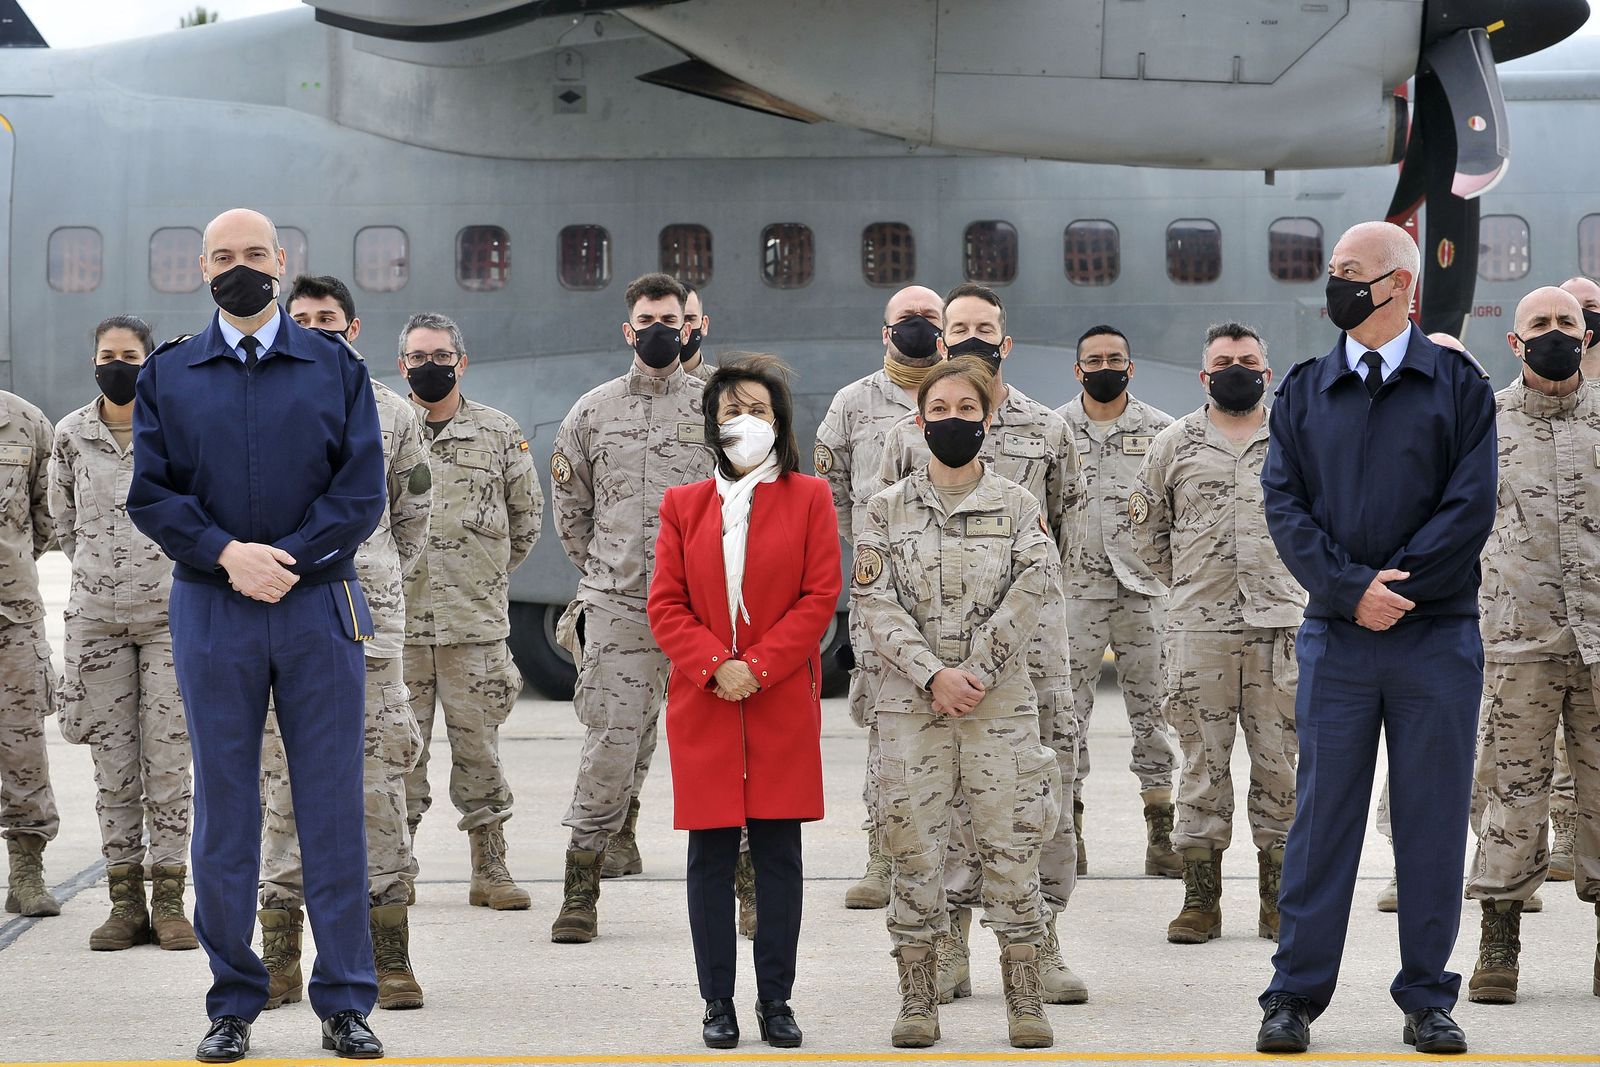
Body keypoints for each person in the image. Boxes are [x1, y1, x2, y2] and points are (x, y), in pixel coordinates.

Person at [128, 207, 387, 1062]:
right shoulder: (171, 374)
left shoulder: (332, 366)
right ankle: (233, 998)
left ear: (283, 261)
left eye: (254, 254)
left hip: (317, 606)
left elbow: (359, 491)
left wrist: (290, 559)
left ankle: (346, 1000)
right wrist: (228, 555)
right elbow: (153, 493)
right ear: (201, 268)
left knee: (331, 806)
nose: (239, 267)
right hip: (214, 608)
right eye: (222, 256)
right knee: (226, 811)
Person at [1255, 221, 1496, 1056]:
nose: (1336, 285)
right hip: (1339, 638)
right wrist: (1351, 589)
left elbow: (1471, 504)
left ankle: (1428, 997)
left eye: (1350, 273)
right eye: (1333, 273)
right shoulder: (1303, 389)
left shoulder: (1457, 383)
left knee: (1431, 822)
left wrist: (1401, 588)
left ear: (1399, 286)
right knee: (1322, 820)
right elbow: (1283, 504)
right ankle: (1293, 995)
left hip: (1436, 639)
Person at [875, 284, 1087, 1005]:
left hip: (1030, 656)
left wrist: (1022, 648)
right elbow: (877, 558)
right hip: (927, 662)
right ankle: (950, 944)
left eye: (983, 328)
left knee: (1038, 795)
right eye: (957, 326)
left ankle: (1041, 935)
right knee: (945, 803)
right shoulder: (905, 437)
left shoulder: (1045, 427)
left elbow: (1064, 540)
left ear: (1006, 338)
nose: (969, 337)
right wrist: (927, 668)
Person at [647, 354, 840, 1050]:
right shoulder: (683, 505)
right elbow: (665, 604)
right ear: (712, 424)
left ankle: (777, 999)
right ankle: (717, 1001)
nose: (743, 421)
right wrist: (713, 666)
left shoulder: (810, 497)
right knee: (711, 856)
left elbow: (819, 597)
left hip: (778, 697)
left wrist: (754, 666)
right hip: (706, 703)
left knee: (780, 854)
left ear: (780, 422)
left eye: (757, 409)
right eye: (731, 410)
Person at [256, 276, 432, 1011]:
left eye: (327, 319)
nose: (315, 327)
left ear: (352, 328)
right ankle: (280, 957)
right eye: (301, 320)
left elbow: (414, 517)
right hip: (280, 616)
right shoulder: (255, 403)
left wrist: (376, 580)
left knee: (376, 787)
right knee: (283, 785)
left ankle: (386, 952)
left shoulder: (391, 412)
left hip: (366, 625)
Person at [550, 272, 715, 943]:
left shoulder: (719, 407)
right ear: (628, 328)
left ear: (689, 327)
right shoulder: (592, 411)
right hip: (621, 606)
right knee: (611, 744)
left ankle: (743, 886)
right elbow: (571, 512)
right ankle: (581, 886)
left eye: (670, 319)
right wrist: (610, 570)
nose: (659, 329)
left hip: (707, 606)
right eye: (647, 318)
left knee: (720, 748)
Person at [1130, 322, 1305, 945]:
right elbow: (1145, 535)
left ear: (1268, 371)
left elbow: (1326, 523)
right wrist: (1191, 591)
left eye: (1248, 360)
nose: (1237, 368)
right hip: (1198, 632)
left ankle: (1278, 900)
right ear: (1204, 375)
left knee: (1280, 762)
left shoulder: (1296, 439)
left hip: (1281, 627)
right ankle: (1200, 899)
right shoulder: (1172, 445)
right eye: (1224, 361)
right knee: (1203, 763)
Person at [1464, 286, 1598, 1005]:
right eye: (1540, 325)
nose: (1556, 334)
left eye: (1567, 324)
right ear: (1514, 344)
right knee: (1511, 792)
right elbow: (1453, 531)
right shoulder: (1483, 427)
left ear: (1587, 334)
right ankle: (1499, 938)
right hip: (1519, 644)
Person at [49, 315, 194, 951]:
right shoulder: (70, 436)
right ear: (94, 362)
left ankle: (168, 902)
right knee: (113, 767)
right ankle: (123, 901)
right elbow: (62, 524)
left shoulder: (176, 431)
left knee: (169, 763)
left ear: (148, 361)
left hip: (169, 619)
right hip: (98, 623)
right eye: (108, 355)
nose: (117, 365)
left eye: (129, 355)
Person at [399, 312, 541, 911]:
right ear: (402, 363)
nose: (429, 366)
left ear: (461, 360)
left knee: (478, 749)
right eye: (417, 357)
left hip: (473, 627)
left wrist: (478, 576)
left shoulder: (498, 432)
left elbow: (526, 519)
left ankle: (490, 866)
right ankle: (393, 867)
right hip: (398, 629)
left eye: (440, 356)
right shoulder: (385, 429)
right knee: (394, 754)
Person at [814, 284, 945, 911]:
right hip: (883, 595)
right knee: (886, 725)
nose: (918, 327)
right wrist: (868, 546)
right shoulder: (852, 402)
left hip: (958, 592)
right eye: (906, 319)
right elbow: (829, 482)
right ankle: (883, 853)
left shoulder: (962, 396)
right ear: (884, 331)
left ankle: (950, 853)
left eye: (929, 318)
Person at [1057, 324, 1178, 878]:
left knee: (1155, 715)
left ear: (1131, 367)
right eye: (1094, 359)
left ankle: (1161, 835)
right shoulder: (1054, 431)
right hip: (1073, 592)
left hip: (1143, 593)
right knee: (1067, 716)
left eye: (1115, 358)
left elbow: (1179, 513)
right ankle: (1068, 831)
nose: (1105, 366)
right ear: (1077, 368)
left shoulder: (1162, 433)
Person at [0, 375, 56, 922]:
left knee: (21, 741)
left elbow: (45, 518)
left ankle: (26, 869)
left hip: (9, 614)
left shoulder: (25, 422)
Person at [680, 286, 715, 381]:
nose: (684, 329)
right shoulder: (636, 387)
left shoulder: (723, 386)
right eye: (670, 320)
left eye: (690, 319)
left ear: (704, 325)